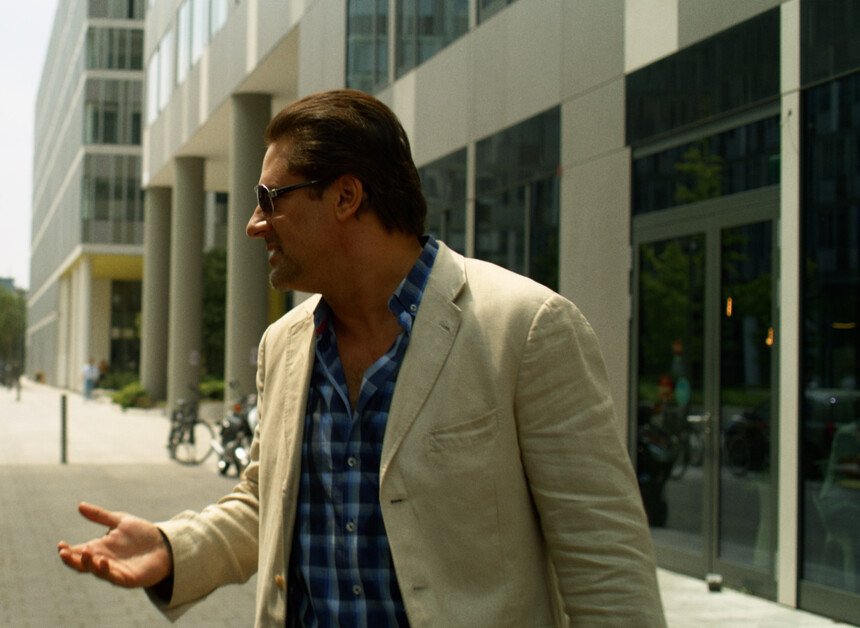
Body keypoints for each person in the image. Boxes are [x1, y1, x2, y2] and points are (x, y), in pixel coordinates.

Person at [57, 89, 665, 626]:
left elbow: (606, 563)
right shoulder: (283, 345)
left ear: (346, 196)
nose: (254, 225)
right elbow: (266, 504)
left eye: (269, 198)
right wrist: (172, 548)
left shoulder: (528, 328)